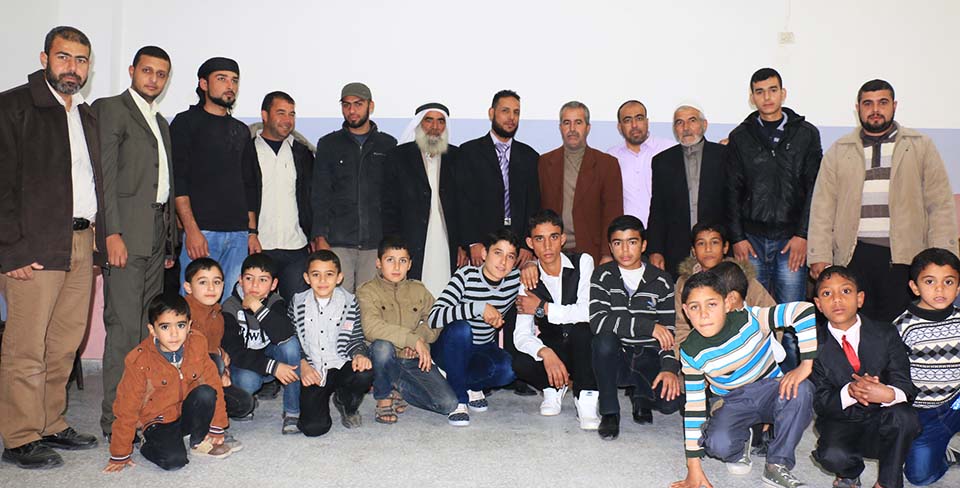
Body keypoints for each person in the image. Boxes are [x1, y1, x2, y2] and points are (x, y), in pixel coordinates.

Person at [0, 26, 104, 469]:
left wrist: (96, 243)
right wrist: (11, 250)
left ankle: (50, 422)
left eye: (81, 60)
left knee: (64, 343)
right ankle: (20, 436)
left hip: (80, 242)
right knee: (26, 346)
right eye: (64, 57)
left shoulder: (86, 115)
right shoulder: (12, 107)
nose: (72, 68)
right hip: (34, 246)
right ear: (45, 58)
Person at [808, 79, 958, 323]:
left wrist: (944, 256)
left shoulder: (920, 146)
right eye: (868, 103)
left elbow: (939, 205)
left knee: (901, 327)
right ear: (858, 108)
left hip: (905, 257)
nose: (875, 109)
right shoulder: (840, 150)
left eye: (883, 103)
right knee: (859, 328)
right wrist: (819, 254)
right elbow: (823, 207)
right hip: (854, 256)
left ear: (894, 106)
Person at [94, 45, 179, 440]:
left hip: (155, 237)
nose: (153, 79)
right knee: (124, 330)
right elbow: (106, 179)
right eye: (147, 71)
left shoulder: (160, 121)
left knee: (149, 332)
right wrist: (111, 233)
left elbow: (164, 185)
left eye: (161, 74)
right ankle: (116, 419)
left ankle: (143, 410)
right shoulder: (111, 109)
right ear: (132, 70)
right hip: (126, 236)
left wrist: (169, 244)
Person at [672, 272, 817, 488]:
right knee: (718, 445)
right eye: (694, 307)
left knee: (801, 389)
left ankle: (777, 465)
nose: (703, 314)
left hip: (771, 390)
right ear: (685, 311)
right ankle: (743, 439)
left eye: (712, 304)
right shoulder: (690, 352)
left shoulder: (751, 318)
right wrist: (693, 468)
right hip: (733, 400)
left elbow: (803, 311)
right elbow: (694, 406)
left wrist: (805, 365)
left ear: (727, 303)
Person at [811, 266, 920, 488]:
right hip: (842, 420)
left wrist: (887, 393)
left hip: (882, 418)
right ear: (819, 305)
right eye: (827, 294)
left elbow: (905, 384)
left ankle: (887, 482)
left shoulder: (886, 333)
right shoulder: (812, 345)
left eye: (845, 291)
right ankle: (849, 473)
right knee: (832, 455)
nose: (837, 299)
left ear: (860, 299)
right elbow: (820, 402)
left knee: (905, 418)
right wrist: (849, 392)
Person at [726, 67, 822, 303]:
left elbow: (815, 189)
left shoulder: (806, 134)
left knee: (791, 312)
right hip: (751, 241)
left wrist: (803, 235)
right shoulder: (740, 137)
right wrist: (737, 238)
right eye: (759, 92)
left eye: (772, 90)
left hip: (792, 240)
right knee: (752, 309)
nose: (767, 97)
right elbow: (731, 190)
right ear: (752, 97)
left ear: (783, 93)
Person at [105, 294, 231, 472]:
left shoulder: (197, 343)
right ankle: (147, 443)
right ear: (152, 330)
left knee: (206, 392)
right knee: (175, 461)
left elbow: (213, 383)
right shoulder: (139, 360)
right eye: (165, 327)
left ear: (189, 326)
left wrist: (217, 425)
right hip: (158, 420)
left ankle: (197, 440)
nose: (174, 334)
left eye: (180, 325)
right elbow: (126, 407)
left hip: (184, 413)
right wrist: (120, 453)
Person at [590, 215, 681, 440]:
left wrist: (669, 368)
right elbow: (598, 321)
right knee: (602, 341)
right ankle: (610, 411)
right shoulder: (603, 275)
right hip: (617, 355)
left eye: (632, 242)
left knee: (670, 404)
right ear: (610, 246)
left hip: (648, 355)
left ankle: (640, 396)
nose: (625, 250)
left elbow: (668, 332)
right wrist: (647, 326)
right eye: (618, 243)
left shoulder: (662, 280)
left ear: (643, 245)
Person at [171, 57, 255, 297]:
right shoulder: (185, 123)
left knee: (230, 306)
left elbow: (250, 184)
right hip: (202, 233)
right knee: (195, 305)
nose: (230, 86)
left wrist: (251, 232)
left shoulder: (241, 130)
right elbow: (178, 181)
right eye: (222, 79)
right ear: (204, 84)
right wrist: (191, 230)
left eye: (234, 80)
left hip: (238, 235)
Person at [357, 236, 459, 424]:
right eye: (390, 260)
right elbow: (371, 327)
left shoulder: (418, 289)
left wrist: (419, 339)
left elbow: (436, 319)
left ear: (410, 264)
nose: (397, 267)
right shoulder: (367, 291)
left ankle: (399, 386)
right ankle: (384, 397)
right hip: (381, 358)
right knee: (382, 347)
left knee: (448, 404)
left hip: (412, 357)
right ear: (378, 263)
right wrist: (411, 340)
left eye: (402, 261)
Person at [512, 210, 599, 427]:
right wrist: (546, 353)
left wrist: (542, 308)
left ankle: (586, 399)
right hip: (554, 345)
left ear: (562, 239)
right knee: (520, 361)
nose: (547, 246)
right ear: (530, 243)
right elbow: (520, 335)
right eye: (539, 239)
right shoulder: (528, 279)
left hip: (582, 346)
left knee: (583, 331)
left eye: (553, 237)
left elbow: (587, 312)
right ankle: (552, 387)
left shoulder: (582, 262)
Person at [428, 229, 521, 426]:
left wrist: (530, 265)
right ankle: (459, 399)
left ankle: (467, 384)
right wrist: (478, 308)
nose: (503, 262)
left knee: (509, 370)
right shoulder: (465, 276)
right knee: (462, 329)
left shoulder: (514, 280)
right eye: (498, 253)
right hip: (451, 347)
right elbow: (434, 317)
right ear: (485, 253)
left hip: (482, 347)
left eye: (510, 256)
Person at [312, 82, 397, 292]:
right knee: (338, 302)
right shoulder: (328, 144)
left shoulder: (388, 145)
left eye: (358, 104)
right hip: (338, 242)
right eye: (346, 105)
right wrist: (320, 237)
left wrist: (391, 242)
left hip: (375, 244)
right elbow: (320, 194)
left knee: (370, 304)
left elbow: (393, 198)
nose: (352, 110)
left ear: (371, 106)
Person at [289, 250, 373, 436]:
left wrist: (359, 354)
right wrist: (303, 365)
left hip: (341, 363)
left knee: (364, 373)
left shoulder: (349, 302)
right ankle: (319, 401)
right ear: (307, 278)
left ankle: (346, 402)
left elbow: (355, 337)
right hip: (314, 370)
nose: (322, 280)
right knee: (313, 428)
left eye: (329, 274)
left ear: (339, 277)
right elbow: (293, 339)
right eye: (315, 275)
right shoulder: (297, 303)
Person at [381, 103, 461, 297]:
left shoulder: (457, 157)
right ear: (418, 124)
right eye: (429, 120)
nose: (435, 127)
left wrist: (463, 245)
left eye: (440, 121)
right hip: (411, 240)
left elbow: (464, 205)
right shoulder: (398, 157)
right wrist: (393, 245)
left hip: (446, 241)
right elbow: (388, 206)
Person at [895, 248, 960, 485]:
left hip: (956, 402)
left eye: (948, 282)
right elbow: (894, 374)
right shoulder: (903, 327)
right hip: (923, 413)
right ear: (915, 287)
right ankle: (946, 452)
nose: (940, 289)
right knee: (919, 476)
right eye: (930, 281)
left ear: (958, 287)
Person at [243, 91, 313, 301]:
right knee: (255, 307)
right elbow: (243, 195)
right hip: (259, 245)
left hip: (296, 247)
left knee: (297, 308)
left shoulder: (302, 153)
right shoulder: (247, 150)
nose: (287, 120)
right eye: (281, 113)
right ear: (264, 115)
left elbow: (310, 198)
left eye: (292, 114)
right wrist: (250, 233)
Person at [221, 254, 301, 434]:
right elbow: (234, 352)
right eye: (249, 279)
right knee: (248, 382)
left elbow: (285, 334)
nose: (255, 285)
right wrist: (272, 367)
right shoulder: (229, 307)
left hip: (270, 357)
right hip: (246, 364)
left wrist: (257, 307)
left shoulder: (275, 301)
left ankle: (292, 410)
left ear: (273, 284)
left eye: (263, 280)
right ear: (240, 280)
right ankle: (247, 397)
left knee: (290, 346)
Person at [646, 104, 727, 278]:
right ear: (674, 129)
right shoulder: (662, 161)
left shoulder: (724, 155)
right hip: (677, 250)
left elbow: (734, 203)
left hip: (716, 249)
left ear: (704, 125)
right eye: (679, 122)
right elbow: (658, 209)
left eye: (692, 120)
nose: (686, 127)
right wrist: (655, 250)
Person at [538, 101, 623, 264]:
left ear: (588, 127)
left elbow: (612, 213)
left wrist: (607, 254)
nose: (572, 129)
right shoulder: (544, 162)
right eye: (566, 123)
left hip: (592, 253)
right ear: (560, 127)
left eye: (578, 122)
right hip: (551, 252)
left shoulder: (607, 164)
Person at [673, 223, 775, 350]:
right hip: (703, 351)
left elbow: (770, 314)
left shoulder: (741, 277)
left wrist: (760, 349)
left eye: (714, 242)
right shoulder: (685, 282)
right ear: (693, 250)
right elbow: (682, 326)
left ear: (725, 247)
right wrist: (684, 354)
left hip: (746, 347)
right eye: (701, 243)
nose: (708, 249)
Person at [182, 257, 255, 429]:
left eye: (216, 282)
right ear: (188, 287)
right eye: (202, 282)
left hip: (209, 375)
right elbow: (189, 353)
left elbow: (217, 348)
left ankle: (202, 413)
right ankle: (207, 425)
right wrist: (219, 362)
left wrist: (224, 370)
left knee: (245, 403)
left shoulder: (218, 314)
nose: (211, 288)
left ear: (223, 285)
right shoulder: (182, 313)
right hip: (182, 383)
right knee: (214, 360)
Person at [606, 99, 673, 227]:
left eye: (639, 118)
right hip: (627, 233)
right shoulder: (611, 157)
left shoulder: (669, 149)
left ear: (647, 122)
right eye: (627, 120)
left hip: (665, 230)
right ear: (619, 127)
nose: (634, 125)